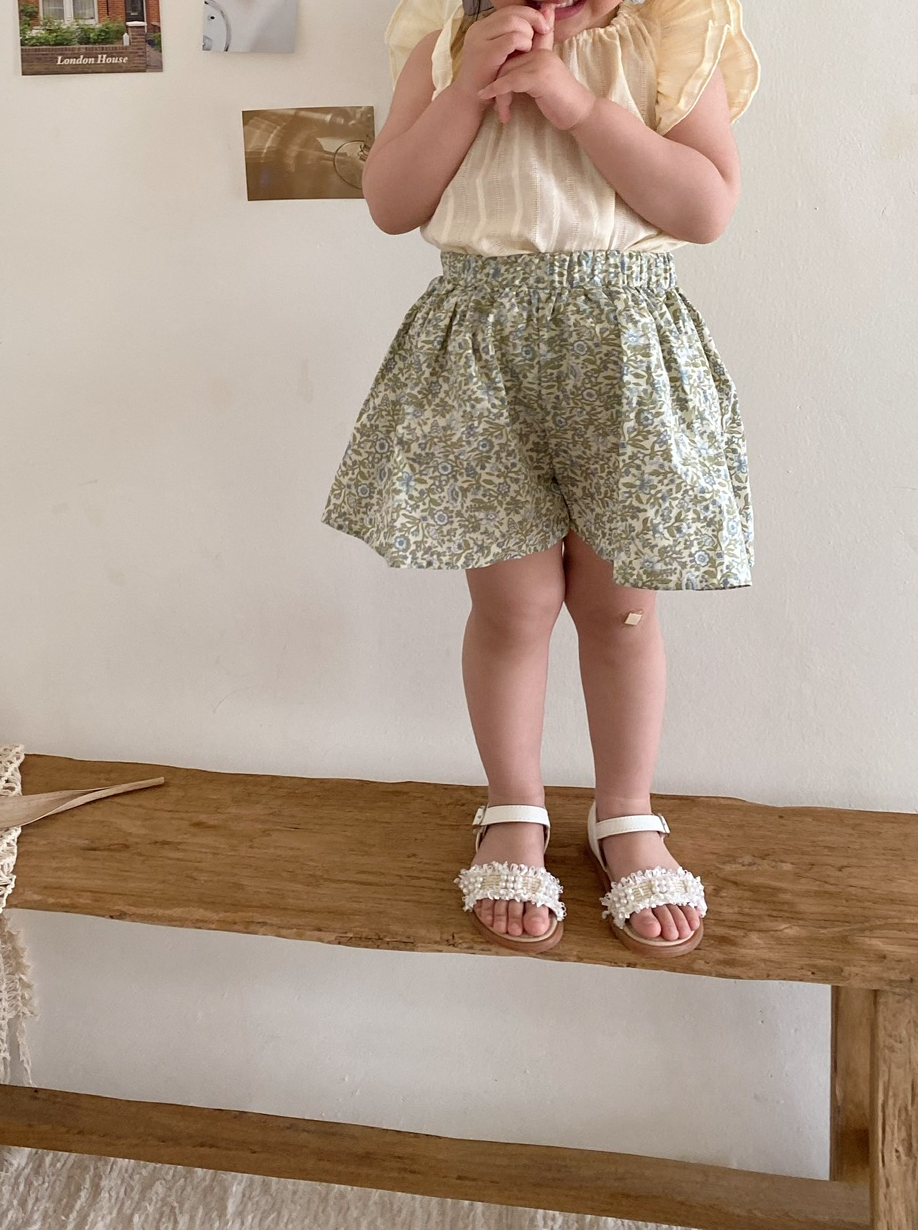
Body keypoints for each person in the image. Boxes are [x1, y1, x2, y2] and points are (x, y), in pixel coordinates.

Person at [322, 0, 758, 957]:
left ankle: (626, 811)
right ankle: (513, 804)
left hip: (625, 351)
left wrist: (580, 106)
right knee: (512, 607)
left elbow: (705, 208)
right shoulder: (445, 42)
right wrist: (466, 92)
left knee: (622, 608)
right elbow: (392, 202)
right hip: (484, 352)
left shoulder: (668, 41)